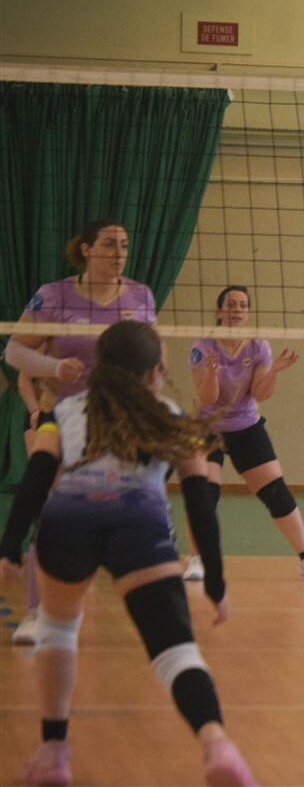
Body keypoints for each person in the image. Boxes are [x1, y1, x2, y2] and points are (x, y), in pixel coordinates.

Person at [0, 321, 257, 787]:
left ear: (101, 368)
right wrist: (216, 581)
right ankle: (217, 743)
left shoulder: (63, 410)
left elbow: (37, 475)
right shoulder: (171, 416)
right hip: (139, 523)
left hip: (69, 522)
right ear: (156, 372)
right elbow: (200, 501)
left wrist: (10, 548)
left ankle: (54, 752)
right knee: (175, 650)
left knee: (58, 630)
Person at [5, 219, 157, 646]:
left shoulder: (140, 296)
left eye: (124, 244)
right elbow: (14, 350)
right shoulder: (53, 295)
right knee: (52, 511)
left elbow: (152, 356)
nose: (119, 252)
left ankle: (92, 596)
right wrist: (54, 367)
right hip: (62, 415)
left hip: (117, 419)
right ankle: (37, 612)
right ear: (86, 250)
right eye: (109, 244)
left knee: (114, 513)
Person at [184, 287, 304, 584]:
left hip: (246, 426)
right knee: (205, 492)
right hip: (207, 428)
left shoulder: (258, 346)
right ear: (219, 311)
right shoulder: (202, 348)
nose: (237, 310)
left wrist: (274, 370)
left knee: (276, 492)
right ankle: (197, 559)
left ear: (248, 312)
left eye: (243, 305)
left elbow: (260, 393)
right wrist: (211, 373)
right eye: (231, 305)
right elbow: (207, 399)